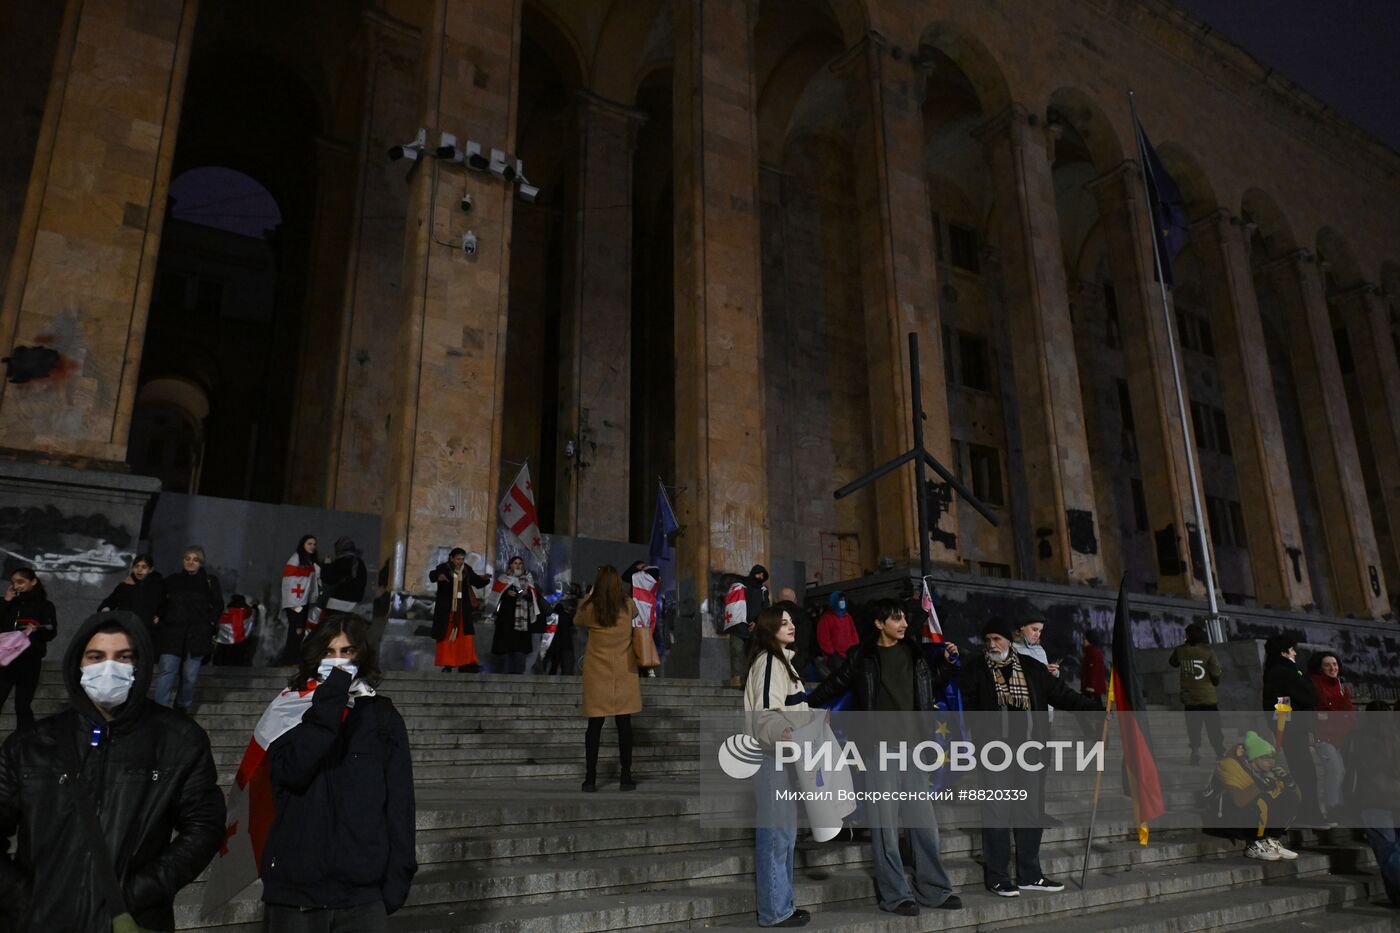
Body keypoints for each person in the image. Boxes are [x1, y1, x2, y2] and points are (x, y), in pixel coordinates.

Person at [0, 610, 224, 931]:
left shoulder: (179, 739)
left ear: (140, 664)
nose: (109, 667)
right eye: (96, 656)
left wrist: (136, 893)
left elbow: (205, 827)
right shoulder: (31, 744)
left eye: (124, 656)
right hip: (40, 920)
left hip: (128, 920)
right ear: (78, 663)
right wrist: (22, 899)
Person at [803, 599, 962, 917]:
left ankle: (934, 889)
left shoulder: (916, 653)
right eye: (896, 618)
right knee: (885, 829)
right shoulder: (862, 656)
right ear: (879, 624)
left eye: (904, 618)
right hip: (879, 752)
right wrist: (804, 703)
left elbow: (931, 685)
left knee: (924, 826)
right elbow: (836, 684)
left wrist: (947, 663)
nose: (903, 623)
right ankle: (895, 895)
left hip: (915, 751)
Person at [262, 615, 417, 930]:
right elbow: (292, 772)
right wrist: (329, 704)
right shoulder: (287, 710)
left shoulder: (381, 716)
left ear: (361, 656)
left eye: (346, 652)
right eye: (328, 652)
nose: (337, 661)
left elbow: (400, 805)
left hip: (362, 899)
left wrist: (395, 883)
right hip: (295, 898)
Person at [959, 617, 1102, 898]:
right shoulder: (975, 669)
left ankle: (1030, 875)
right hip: (994, 755)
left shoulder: (1032, 668)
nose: (992, 645)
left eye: (997, 639)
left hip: (1029, 752)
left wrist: (1094, 708)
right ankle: (998, 877)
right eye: (987, 640)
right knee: (997, 815)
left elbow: (1061, 694)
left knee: (1029, 814)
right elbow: (959, 702)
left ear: (1009, 640)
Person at [743, 606, 813, 928]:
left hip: (782, 754)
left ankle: (782, 905)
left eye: (792, 621)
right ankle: (774, 911)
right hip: (770, 755)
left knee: (784, 832)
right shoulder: (771, 661)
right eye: (783, 623)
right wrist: (784, 734)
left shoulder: (783, 661)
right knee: (776, 834)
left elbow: (789, 710)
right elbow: (766, 715)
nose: (791, 626)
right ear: (770, 629)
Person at [577, 565, 640, 792]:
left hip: (597, 673)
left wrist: (591, 595)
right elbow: (636, 614)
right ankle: (626, 776)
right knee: (625, 725)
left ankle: (590, 779)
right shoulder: (627, 605)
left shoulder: (591, 608)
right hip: (624, 671)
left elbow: (578, 620)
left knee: (594, 725)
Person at [1206, 730, 1301, 861]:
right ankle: (1254, 844)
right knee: (1261, 800)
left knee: (1288, 798)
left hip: (1247, 814)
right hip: (1223, 817)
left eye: (1272, 757)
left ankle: (1271, 840)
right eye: (1265, 758)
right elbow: (1239, 800)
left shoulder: (1266, 771)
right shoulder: (1229, 765)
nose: (1271, 762)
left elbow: (1297, 799)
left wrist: (1290, 783)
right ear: (1253, 758)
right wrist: (1261, 785)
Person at [1260, 634, 1321, 824]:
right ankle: (1310, 812)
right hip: (1293, 730)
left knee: (1302, 770)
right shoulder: (1285, 672)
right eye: (1292, 649)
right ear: (1284, 652)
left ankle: (1309, 811)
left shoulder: (1274, 672)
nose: (1295, 653)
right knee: (1305, 772)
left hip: (1289, 728)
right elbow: (1308, 695)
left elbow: (1280, 704)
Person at [155, 545, 222, 711]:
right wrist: (161, 617)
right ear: (182, 560)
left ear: (201, 562)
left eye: (195, 559)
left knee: (189, 677)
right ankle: (158, 710)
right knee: (166, 673)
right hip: (172, 634)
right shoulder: (172, 580)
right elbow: (160, 601)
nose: (191, 562)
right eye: (187, 559)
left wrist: (209, 622)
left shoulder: (209, 581)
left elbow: (218, 604)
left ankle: (182, 709)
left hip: (197, 636)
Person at [1354, 700, 1400, 906]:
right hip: (1391, 797)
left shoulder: (1360, 737)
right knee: (1392, 850)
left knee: (1387, 852)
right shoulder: (1393, 735)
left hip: (1373, 800)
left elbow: (1355, 771)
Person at [0, 567, 57, 731]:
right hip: (5, 661)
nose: (17, 586)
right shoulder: (8, 602)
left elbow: (51, 632)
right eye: (13, 583)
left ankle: (25, 744)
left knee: (22, 706)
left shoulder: (45, 605)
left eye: (21, 582)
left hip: (29, 662)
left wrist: (39, 629)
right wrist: (6, 601)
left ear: (33, 582)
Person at [1307, 650, 1355, 825]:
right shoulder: (1316, 685)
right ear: (1320, 668)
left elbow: (1348, 711)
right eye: (1327, 665)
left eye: (1334, 664)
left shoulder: (1341, 686)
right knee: (1335, 771)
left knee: (1340, 772)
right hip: (1324, 736)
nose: (1332, 667)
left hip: (1340, 737)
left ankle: (1339, 809)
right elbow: (1322, 711)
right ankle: (1333, 809)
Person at [1169, 623, 1225, 765]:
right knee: (1214, 727)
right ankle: (1219, 752)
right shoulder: (1208, 651)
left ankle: (1195, 751)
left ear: (1187, 636)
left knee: (1193, 726)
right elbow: (1216, 671)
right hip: (1208, 697)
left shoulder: (1180, 651)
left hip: (1190, 697)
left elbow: (1173, 663)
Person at [430, 548, 490, 673]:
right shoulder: (444, 568)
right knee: (448, 638)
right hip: (448, 611)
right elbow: (433, 574)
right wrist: (438, 577)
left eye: (462, 559)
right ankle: (448, 664)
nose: (460, 562)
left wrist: (486, 579)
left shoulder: (466, 569)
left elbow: (477, 582)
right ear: (451, 558)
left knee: (465, 638)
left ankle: (466, 663)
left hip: (463, 611)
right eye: (458, 559)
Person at [492, 556, 545, 674]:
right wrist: (506, 593)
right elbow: (495, 597)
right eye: (515, 563)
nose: (518, 566)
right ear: (510, 565)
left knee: (519, 650)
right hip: (506, 621)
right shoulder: (503, 578)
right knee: (504, 649)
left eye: (520, 563)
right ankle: (503, 673)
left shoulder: (528, 579)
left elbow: (534, 598)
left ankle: (518, 674)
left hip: (521, 622)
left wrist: (526, 594)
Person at [279, 535, 322, 664]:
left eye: (314, 544)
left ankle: (293, 658)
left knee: (300, 630)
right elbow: (289, 582)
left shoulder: (309, 561)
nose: (312, 546)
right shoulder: (295, 559)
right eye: (309, 543)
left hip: (303, 601)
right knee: (296, 629)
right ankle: (290, 659)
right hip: (295, 602)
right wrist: (292, 602)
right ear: (303, 544)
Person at [726, 565, 771, 688]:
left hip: (755, 627)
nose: (760, 577)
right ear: (753, 573)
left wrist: (757, 622)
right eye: (758, 574)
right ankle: (736, 679)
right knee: (737, 650)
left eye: (763, 575)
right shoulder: (740, 586)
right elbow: (733, 605)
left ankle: (749, 680)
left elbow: (765, 608)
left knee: (752, 653)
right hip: (738, 625)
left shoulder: (763, 590)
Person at [98, 553, 164, 632]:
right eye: (136, 566)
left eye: (144, 567)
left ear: (150, 570)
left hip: (146, 631)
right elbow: (111, 600)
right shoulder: (125, 585)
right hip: (124, 628)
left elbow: (163, 605)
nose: (139, 570)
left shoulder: (157, 587)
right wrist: (106, 609)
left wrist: (160, 616)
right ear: (132, 568)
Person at [816, 590, 859, 673]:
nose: (842, 602)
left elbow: (854, 633)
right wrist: (832, 653)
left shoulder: (847, 616)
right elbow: (823, 638)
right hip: (835, 657)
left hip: (849, 655)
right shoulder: (826, 618)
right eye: (840, 600)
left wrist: (854, 648)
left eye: (843, 600)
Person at [321, 537, 368, 613]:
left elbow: (328, 578)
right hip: (354, 604)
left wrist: (326, 564)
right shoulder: (360, 563)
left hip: (337, 603)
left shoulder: (340, 562)